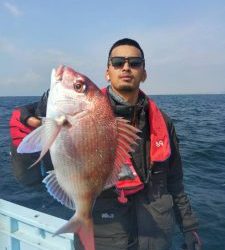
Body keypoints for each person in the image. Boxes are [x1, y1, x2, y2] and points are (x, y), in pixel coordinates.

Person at [9, 38, 202, 250]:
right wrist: (26, 132)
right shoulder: (70, 115)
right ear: (107, 73)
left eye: (135, 63)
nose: (126, 67)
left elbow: (175, 181)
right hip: (104, 239)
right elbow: (27, 178)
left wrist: (189, 227)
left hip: (156, 239)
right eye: (118, 62)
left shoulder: (162, 122)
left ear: (144, 73)